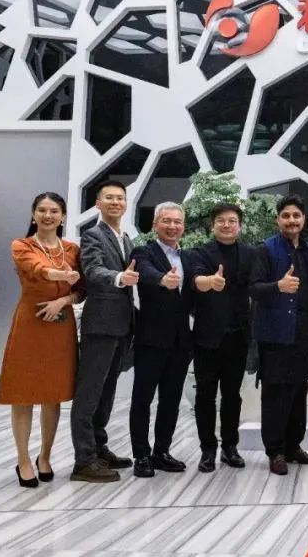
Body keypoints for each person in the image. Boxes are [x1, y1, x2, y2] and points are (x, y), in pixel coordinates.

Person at [0, 192, 82, 487]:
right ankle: (23, 459)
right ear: (33, 214)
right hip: (30, 322)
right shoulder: (22, 245)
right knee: (22, 394)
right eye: (42, 210)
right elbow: (35, 268)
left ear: (63, 216)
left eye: (54, 211)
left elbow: (81, 290)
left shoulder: (72, 249)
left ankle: (45, 456)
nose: (48, 216)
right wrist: (59, 274)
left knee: (52, 393)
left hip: (60, 324)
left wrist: (63, 301)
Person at [251, 194, 308, 475]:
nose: (291, 220)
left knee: (298, 391)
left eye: (296, 215)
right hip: (275, 334)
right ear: (277, 220)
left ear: (303, 219)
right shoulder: (265, 249)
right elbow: (254, 288)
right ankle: (276, 451)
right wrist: (278, 287)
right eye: (286, 216)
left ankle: (294, 447)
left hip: (302, 333)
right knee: (275, 394)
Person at [71, 180, 137, 483]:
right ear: (98, 203)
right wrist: (119, 278)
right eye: (109, 197)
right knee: (89, 394)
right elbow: (93, 270)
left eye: (120, 198)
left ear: (125, 203)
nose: (115, 202)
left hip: (121, 325)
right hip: (100, 325)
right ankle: (84, 461)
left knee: (106, 392)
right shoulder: (93, 235)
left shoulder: (125, 238)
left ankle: (99, 448)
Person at [190, 202, 258, 473]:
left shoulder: (251, 253)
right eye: (221, 220)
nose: (227, 225)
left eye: (232, 221)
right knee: (205, 395)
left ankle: (230, 447)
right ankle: (208, 449)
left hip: (238, 336)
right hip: (207, 337)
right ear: (212, 225)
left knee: (232, 396)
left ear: (239, 226)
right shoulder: (200, 253)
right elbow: (195, 279)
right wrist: (209, 282)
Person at [128, 202, 194, 478]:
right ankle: (141, 455)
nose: (172, 226)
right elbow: (144, 271)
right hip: (151, 339)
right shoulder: (143, 252)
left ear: (183, 227)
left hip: (181, 342)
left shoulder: (188, 257)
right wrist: (162, 280)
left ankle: (161, 451)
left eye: (177, 222)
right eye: (166, 221)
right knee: (142, 399)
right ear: (155, 225)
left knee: (171, 400)